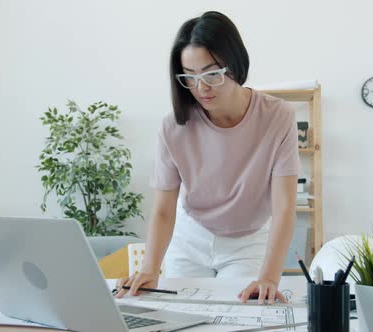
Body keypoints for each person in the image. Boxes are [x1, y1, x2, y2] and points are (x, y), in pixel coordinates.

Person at [116, 11, 299, 305]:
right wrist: (149, 269)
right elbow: (163, 210)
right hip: (190, 238)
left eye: (212, 73)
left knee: (241, 315)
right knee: (178, 316)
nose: (201, 87)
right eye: (189, 76)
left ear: (235, 62)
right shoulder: (173, 126)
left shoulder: (278, 117)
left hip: (247, 241)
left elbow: (285, 205)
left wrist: (269, 277)